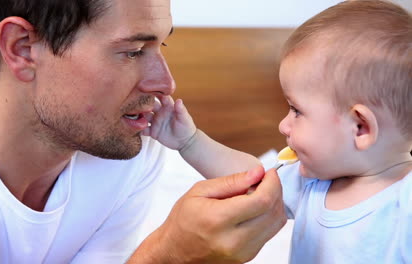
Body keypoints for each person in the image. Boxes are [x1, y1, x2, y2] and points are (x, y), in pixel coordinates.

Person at [0, 0, 287, 263]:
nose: (165, 84)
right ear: (22, 47)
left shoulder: (129, 151)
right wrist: (167, 254)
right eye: (133, 52)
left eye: (160, 47)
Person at [146, 1, 412, 263]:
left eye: (297, 110)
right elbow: (251, 179)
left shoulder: (403, 205)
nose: (283, 126)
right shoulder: (314, 182)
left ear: (360, 128)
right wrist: (189, 141)